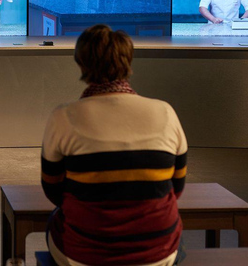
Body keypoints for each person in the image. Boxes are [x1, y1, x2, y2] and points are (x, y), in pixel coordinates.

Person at [41, 24, 188, 266]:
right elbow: (176, 188)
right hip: (157, 254)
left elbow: (54, 191)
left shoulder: (63, 117)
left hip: (84, 256)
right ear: (128, 61)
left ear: (81, 64)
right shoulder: (166, 112)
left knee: (55, 221)